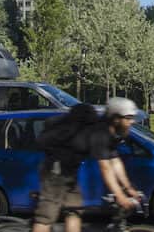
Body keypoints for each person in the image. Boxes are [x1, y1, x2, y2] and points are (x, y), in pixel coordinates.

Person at [32, 97, 141, 232]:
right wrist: (119, 195)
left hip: (70, 172)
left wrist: (129, 188)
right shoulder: (100, 134)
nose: (132, 121)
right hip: (54, 172)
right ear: (116, 118)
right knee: (46, 215)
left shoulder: (110, 134)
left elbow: (115, 161)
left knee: (74, 211)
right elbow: (105, 167)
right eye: (128, 118)